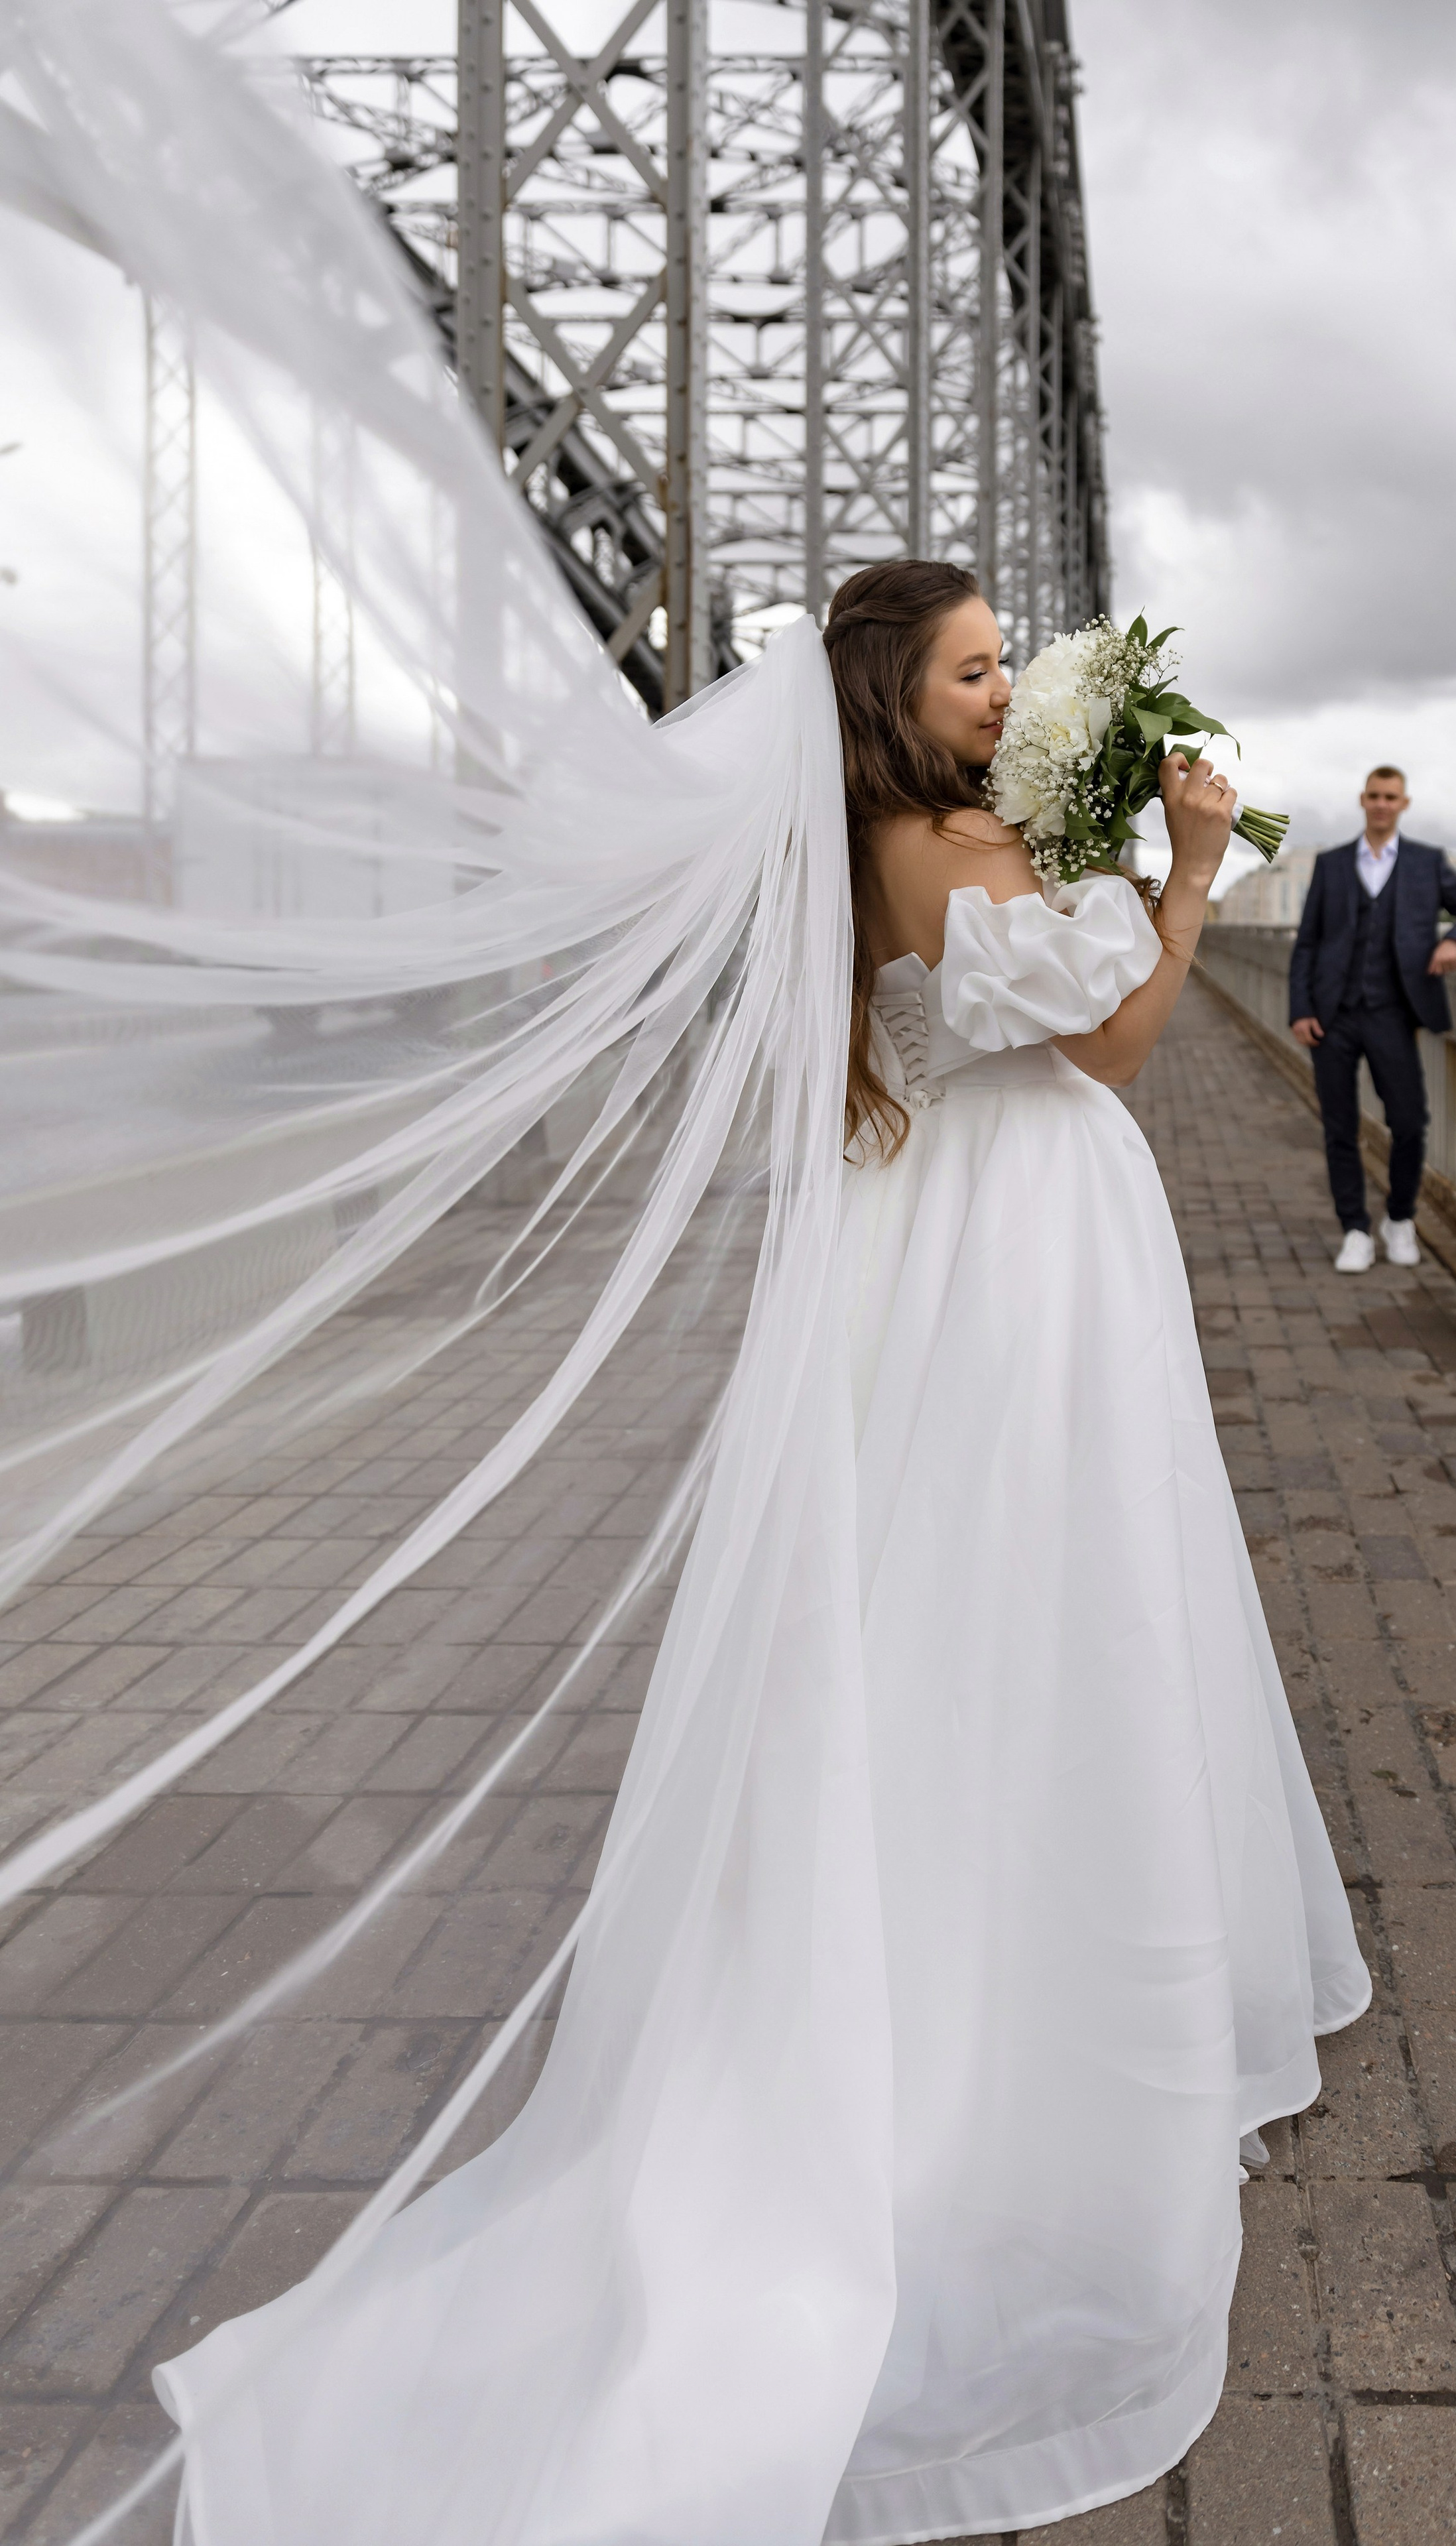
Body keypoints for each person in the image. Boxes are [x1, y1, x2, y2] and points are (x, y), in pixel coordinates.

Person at [143, 566, 1370, 2544]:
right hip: (1013, 1258)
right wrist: (1190, 865)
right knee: (1046, 1615)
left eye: (1008, 672)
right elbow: (1125, 1043)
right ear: (901, 686)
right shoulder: (940, 839)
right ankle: (1020, 2042)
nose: (998, 696)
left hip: (961, 1244)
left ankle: (1002, 1978)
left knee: (955, 1630)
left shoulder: (880, 839)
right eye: (976, 670)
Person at [1288, 766, 1456, 1273]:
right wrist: (1300, 1009)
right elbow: (1308, 942)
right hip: (1331, 1016)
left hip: (1394, 1013)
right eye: (1375, 796)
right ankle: (1355, 1230)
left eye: (1391, 797)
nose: (1382, 804)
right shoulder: (1332, 864)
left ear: (1404, 804)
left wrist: (1453, 940)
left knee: (1408, 1122)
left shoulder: (1427, 862)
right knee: (1339, 1127)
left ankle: (1399, 1219)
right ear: (1363, 800)